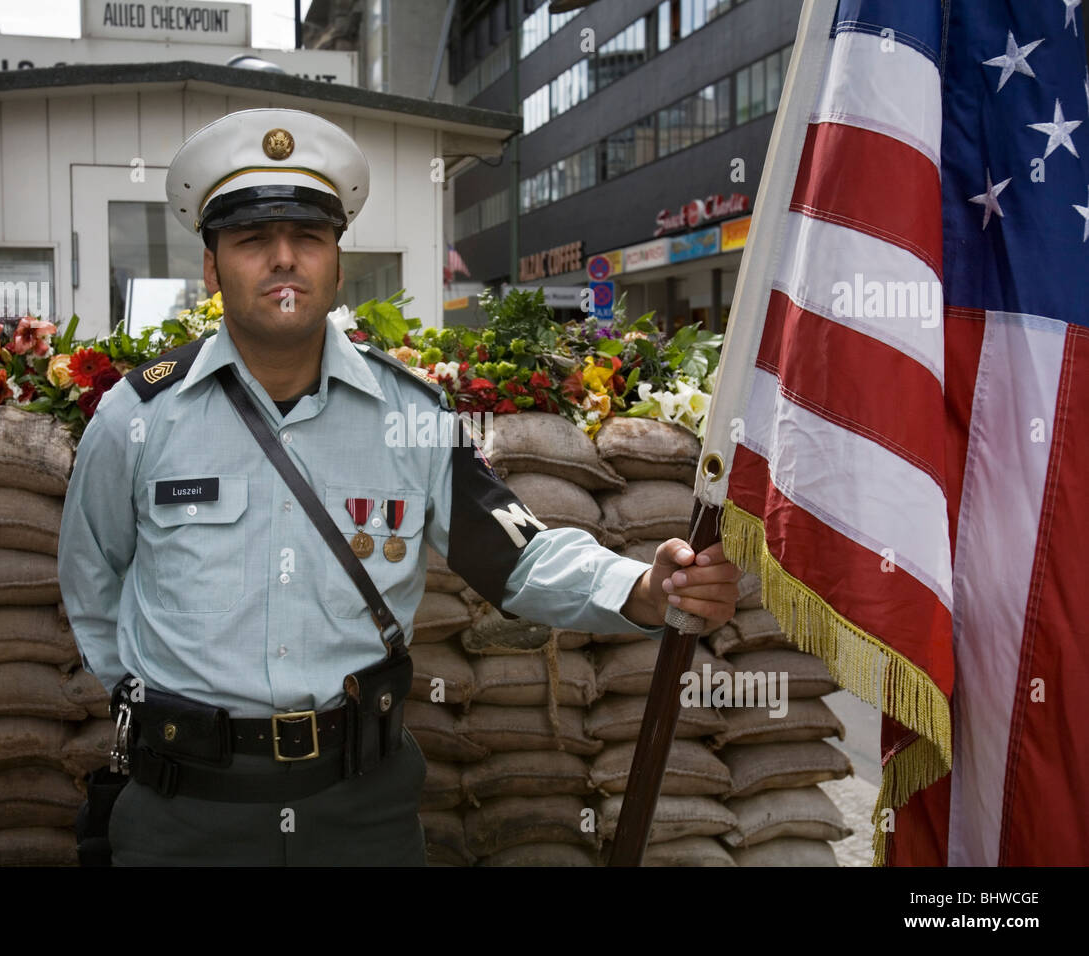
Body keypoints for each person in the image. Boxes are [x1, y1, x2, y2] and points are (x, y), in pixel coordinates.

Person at [57, 108, 741, 867]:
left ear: (338, 265)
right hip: (183, 811)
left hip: (361, 814)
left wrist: (641, 588)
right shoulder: (137, 418)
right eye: (253, 240)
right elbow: (92, 580)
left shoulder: (409, 415)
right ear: (212, 268)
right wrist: (158, 701)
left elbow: (515, 557)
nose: (284, 260)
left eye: (308, 238)